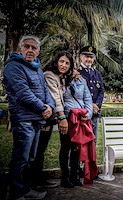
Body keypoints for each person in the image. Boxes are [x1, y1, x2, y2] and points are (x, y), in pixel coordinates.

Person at [3, 35, 54, 200]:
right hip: (23, 118)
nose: (30, 50)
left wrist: (50, 107)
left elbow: (46, 91)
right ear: (20, 49)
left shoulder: (37, 69)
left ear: (38, 51)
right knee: (21, 158)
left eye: (34, 48)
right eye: (27, 47)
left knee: (30, 158)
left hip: (36, 119)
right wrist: (43, 108)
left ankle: (26, 189)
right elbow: (23, 93)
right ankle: (16, 193)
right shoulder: (13, 67)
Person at [32, 51, 74, 189]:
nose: (64, 65)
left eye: (67, 63)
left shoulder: (60, 78)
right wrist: (62, 117)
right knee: (38, 149)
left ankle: (38, 178)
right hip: (44, 117)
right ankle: (34, 181)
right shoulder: (49, 75)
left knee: (41, 149)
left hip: (50, 119)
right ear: (56, 62)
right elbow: (55, 97)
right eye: (61, 61)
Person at [60, 69, 93, 188]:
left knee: (77, 148)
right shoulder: (60, 79)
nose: (73, 70)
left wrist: (88, 114)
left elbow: (87, 99)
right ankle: (65, 177)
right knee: (66, 147)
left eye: (74, 67)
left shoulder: (81, 81)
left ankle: (75, 175)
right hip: (67, 118)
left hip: (80, 118)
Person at [78, 46, 105, 141]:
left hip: (94, 111)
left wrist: (97, 105)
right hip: (82, 112)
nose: (89, 59)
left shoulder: (97, 73)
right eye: (86, 56)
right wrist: (90, 105)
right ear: (81, 56)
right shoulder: (76, 72)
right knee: (81, 140)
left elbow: (101, 91)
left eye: (91, 57)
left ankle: (92, 156)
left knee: (93, 139)